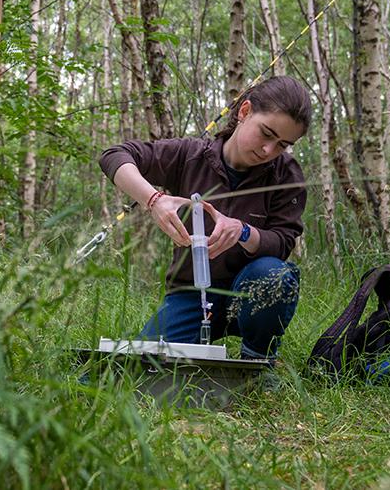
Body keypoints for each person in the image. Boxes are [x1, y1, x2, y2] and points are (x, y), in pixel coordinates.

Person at [99, 76, 312, 362]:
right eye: (266, 134)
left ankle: (257, 360)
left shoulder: (285, 175)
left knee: (274, 275)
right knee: (140, 366)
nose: (268, 151)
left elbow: (283, 242)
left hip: (248, 293)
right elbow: (115, 156)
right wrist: (154, 201)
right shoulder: (190, 155)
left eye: (282, 145)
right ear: (245, 111)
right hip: (191, 296)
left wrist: (244, 232)